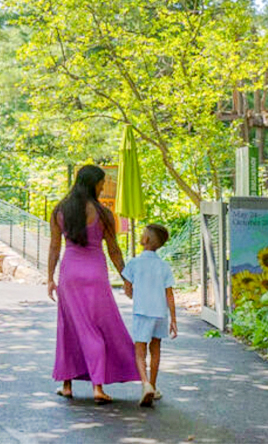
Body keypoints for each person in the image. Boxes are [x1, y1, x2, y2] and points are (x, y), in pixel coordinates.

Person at [47, 164, 139, 403]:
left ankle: (67, 386)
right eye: (101, 182)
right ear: (92, 184)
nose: (103, 186)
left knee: (69, 327)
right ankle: (97, 387)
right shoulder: (104, 214)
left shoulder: (59, 210)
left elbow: (55, 247)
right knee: (97, 327)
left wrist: (49, 278)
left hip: (69, 275)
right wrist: (126, 277)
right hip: (96, 275)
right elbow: (114, 251)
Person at [120, 222, 177, 407]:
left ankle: (145, 384)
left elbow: (127, 289)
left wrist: (135, 295)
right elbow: (169, 294)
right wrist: (174, 319)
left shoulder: (134, 263)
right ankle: (153, 384)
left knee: (139, 351)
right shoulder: (164, 266)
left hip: (141, 312)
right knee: (156, 349)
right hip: (160, 313)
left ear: (144, 240)